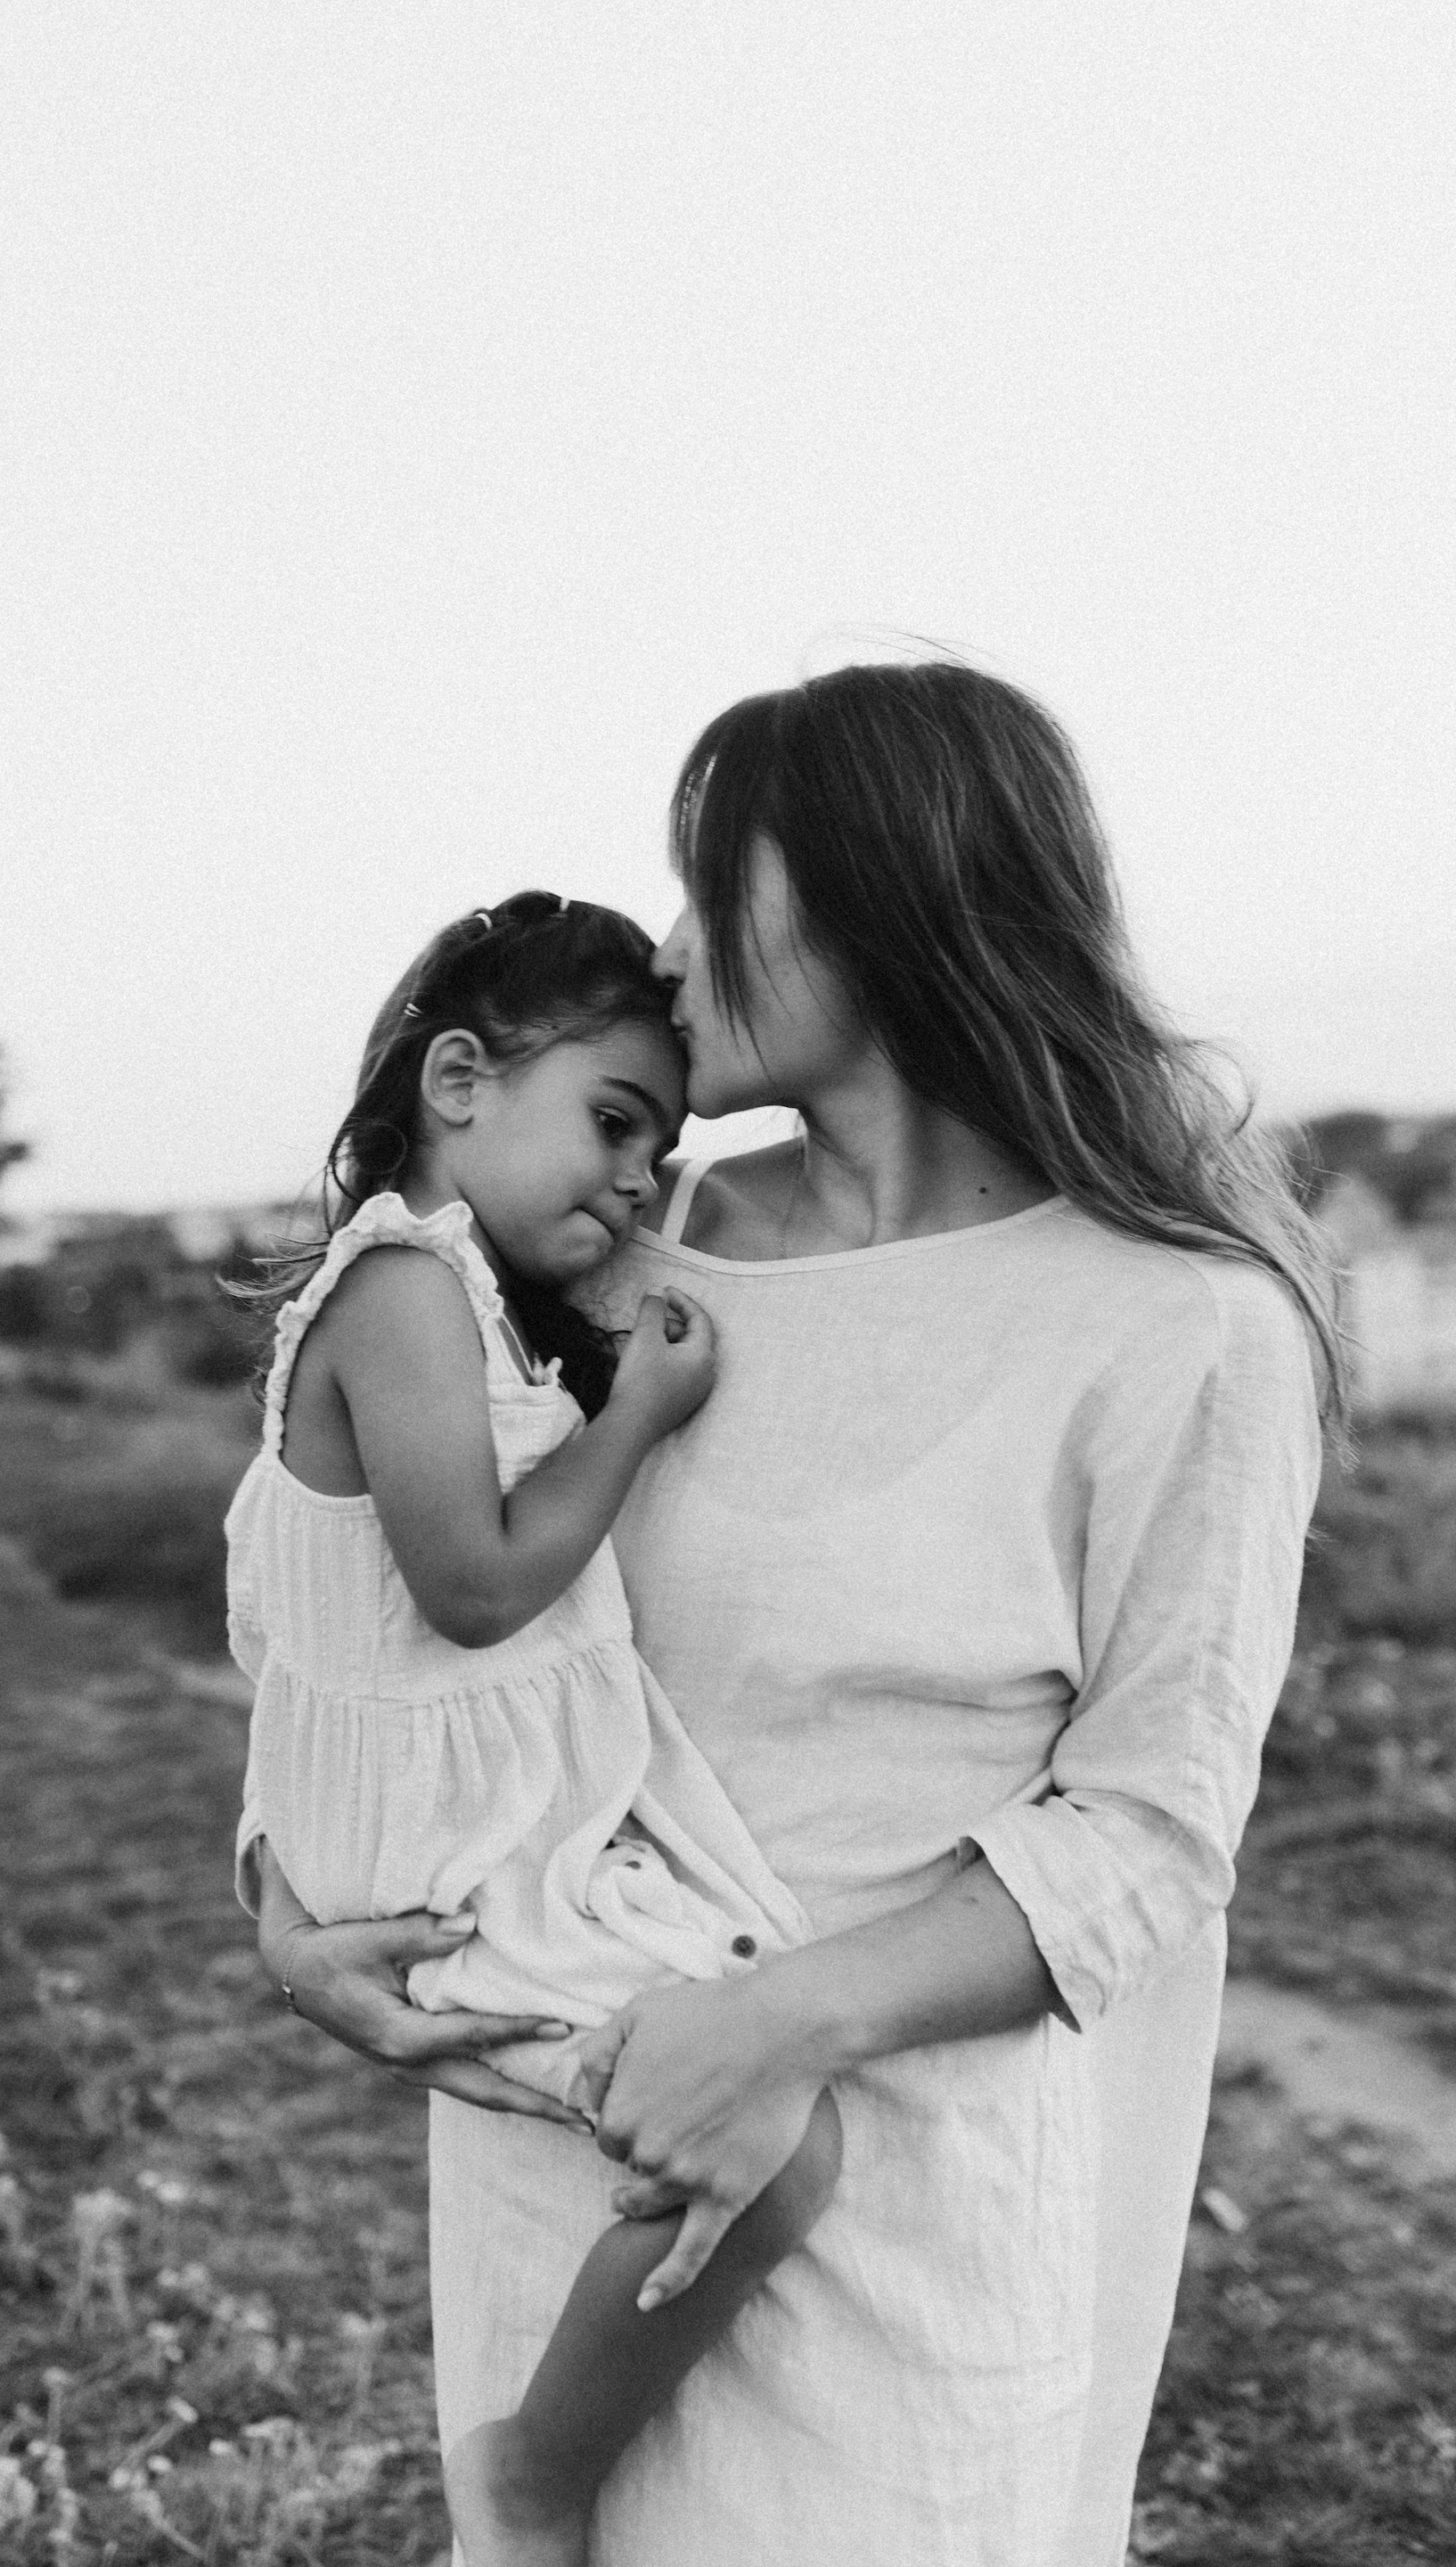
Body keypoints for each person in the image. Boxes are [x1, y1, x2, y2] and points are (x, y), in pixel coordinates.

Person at [258, 664, 1338, 2566]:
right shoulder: (616, 1262)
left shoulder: (1184, 1323)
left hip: (899, 2202)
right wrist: (285, 1898)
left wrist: (779, 2026)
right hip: (571, 2150)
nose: (666, 960)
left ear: (876, 891)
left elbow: (1155, 1826)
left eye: (707, 892)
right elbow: (356, 1570)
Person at [227, 890, 842, 2567]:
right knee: (773, 2137)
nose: (641, 1182)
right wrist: (637, 1412)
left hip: (466, 1816)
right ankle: (538, 2477)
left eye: (664, 1147)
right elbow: (478, 1592)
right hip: (445, 1854)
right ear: (459, 1080)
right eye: (616, 1123)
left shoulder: (457, 1299)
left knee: (754, 2082)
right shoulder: (407, 1292)